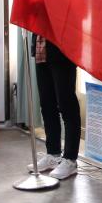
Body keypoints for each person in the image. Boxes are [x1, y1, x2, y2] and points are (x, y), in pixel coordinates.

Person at [28, 33, 80, 179]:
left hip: (61, 48)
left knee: (67, 105)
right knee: (47, 105)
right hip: (41, 48)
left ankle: (70, 159)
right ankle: (53, 153)